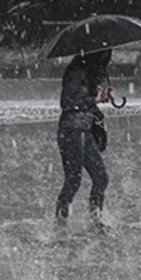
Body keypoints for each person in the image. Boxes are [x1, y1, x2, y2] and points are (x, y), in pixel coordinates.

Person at [54, 49, 114, 233]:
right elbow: (69, 102)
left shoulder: (87, 71)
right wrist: (94, 97)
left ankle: (96, 221)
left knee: (101, 177)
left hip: (84, 129)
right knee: (73, 180)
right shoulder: (77, 71)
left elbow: (84, 101)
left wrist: (101, 97)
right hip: (72, 130)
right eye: (104, 59)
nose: (105, 65)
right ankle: (60, 225)